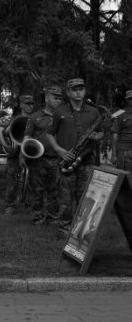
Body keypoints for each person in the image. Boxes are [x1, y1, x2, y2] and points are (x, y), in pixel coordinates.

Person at [46, 78, 104, 238]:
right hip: (67, 160)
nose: (78, 92)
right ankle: (64, 229)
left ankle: (82, 230)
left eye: (81, 89)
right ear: (68, 92)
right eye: (74, 89)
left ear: (84, 91)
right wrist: (59, 150)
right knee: (65, 197)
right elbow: (49, 133)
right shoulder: (59, 112)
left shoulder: (94, 111)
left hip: (87, 160)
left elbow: (101, 132)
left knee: (86, 197)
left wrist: (98, 136)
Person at [22, 86, 64, 226]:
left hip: (56, 158)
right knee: (37, 189)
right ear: (46, 98)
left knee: (55, 189)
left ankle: (52, 217)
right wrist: (24, 153)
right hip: (38, 159)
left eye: (59, 98)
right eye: (55, 97)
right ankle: (37, 217)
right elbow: (27, 136)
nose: (58, 100)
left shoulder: (63, 116)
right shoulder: (35, 116)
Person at [0, 94, 35, 215]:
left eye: (32, 104)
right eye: (27, 104)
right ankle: (10, 205)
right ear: (21, 105)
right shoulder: (13, 119)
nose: (30, 106)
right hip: (14, 155)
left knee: (31, 181)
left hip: (30, 153)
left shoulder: (35, 118)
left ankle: (30, 205)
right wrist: (5, 145)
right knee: (11, 181)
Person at [111, 90, 132, 171]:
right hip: (125, 152)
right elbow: (114, 134)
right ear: (127, 100)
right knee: (125, 177)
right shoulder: (120, 113)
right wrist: (113, 155)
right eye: (130, 99)